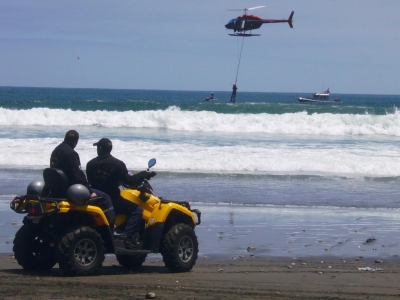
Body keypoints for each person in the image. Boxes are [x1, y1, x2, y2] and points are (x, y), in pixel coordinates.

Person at [86, 138, 156, 249]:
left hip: (95, 199)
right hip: (113, 200)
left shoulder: (90, 164)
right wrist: (144, 174)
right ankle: (126, 237)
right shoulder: (117, 164)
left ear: (100, 149)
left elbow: (90, 182)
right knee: (137, 210)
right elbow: (130, 181)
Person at [50, 130, 115, 227]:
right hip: (70, 189)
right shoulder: (71, 154)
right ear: (76, 141)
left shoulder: (55, 151)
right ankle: (109, 228)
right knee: (105, 198)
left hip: (57, 188)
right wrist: (88, 190)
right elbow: (78, 175)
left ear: (65, 138)